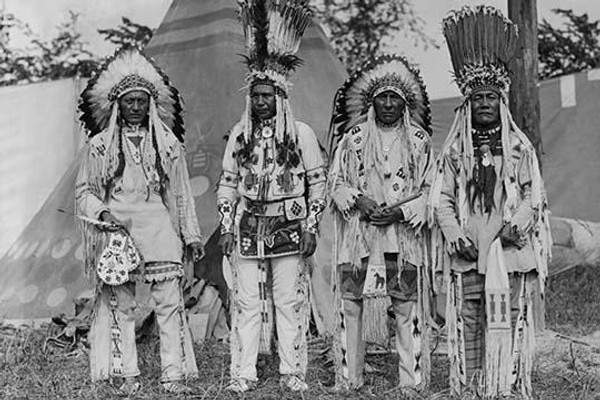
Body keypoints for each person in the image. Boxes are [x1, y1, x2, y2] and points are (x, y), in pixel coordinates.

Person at [429, 6, 552, 399]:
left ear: (500, 101)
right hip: (468, 250)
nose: (483, 103)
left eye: (490, 97)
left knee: (510, 317)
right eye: (477, 97)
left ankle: (508, 384)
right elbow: (442, 199)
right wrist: (452, 233)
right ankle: (472, 385)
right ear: (467, 104)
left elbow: (535, 194)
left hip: (509, 251)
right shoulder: (454, 152)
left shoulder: (518, 148)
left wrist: (518, 224)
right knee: (468, 319)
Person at [76, 47, 204, 396]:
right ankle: (125, 374)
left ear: (151, 104)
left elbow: (180, 193)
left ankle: (173, 375)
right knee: (122, 304)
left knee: (169, 304)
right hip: (120, 232)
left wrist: (190, 234)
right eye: (129, 101)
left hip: (160, 228)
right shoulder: (99, 146)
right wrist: (103, 213)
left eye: (141, 101)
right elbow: (85, 189)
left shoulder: (169, 144)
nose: (135, 107)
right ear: (117, 105)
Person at [216, 0, 326, 393]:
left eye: (268, 95)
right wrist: (227, 224)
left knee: (287, 301)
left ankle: (292, 371)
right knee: (245, 302)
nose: (261, 101)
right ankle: (242, 373)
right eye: (257, 95)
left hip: (290, 223)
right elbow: (228, 180)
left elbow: (318, 181)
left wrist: (312, 226)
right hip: (248, 223)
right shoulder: (240, 134)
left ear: (281, 97)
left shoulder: (302, 134)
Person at [327, 54, 434, 394]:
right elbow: (336, 182)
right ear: (372, 101)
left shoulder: (419, 141)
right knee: (350, 306)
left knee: (406, 308)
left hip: (401, 241)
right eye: (382, 97)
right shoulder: (353, 138)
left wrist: (400, 212)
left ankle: (412, 383)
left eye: (395, 98)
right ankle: (348, 380)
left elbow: (431, 189)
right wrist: (359, 200)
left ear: (405, 102)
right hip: (359, 237)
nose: (388, 103)